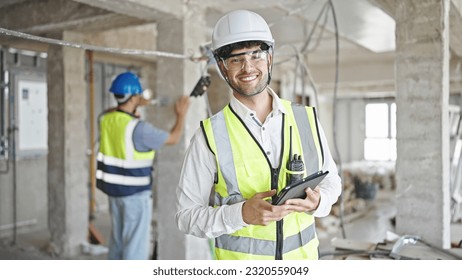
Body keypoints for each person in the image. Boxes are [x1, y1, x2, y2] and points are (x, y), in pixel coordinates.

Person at [175, 10, 342, 260]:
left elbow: (332, 182)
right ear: (222, 66)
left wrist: (318, 202)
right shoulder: (208, 136)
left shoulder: (306, 119)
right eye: (235, 59)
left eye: (256, 54)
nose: (248, 67)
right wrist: (240, 214)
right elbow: (186, 217)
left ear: (270, 57)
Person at [96, 71, 189, 260]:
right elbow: (174, 138)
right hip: (135, 196)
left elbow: (112, 112)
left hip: (114, 192)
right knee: (135, 247)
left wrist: (136, 105)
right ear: (135, 96)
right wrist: (181, 115)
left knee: (118, 241)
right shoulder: (140, 128)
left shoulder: (105, 119)